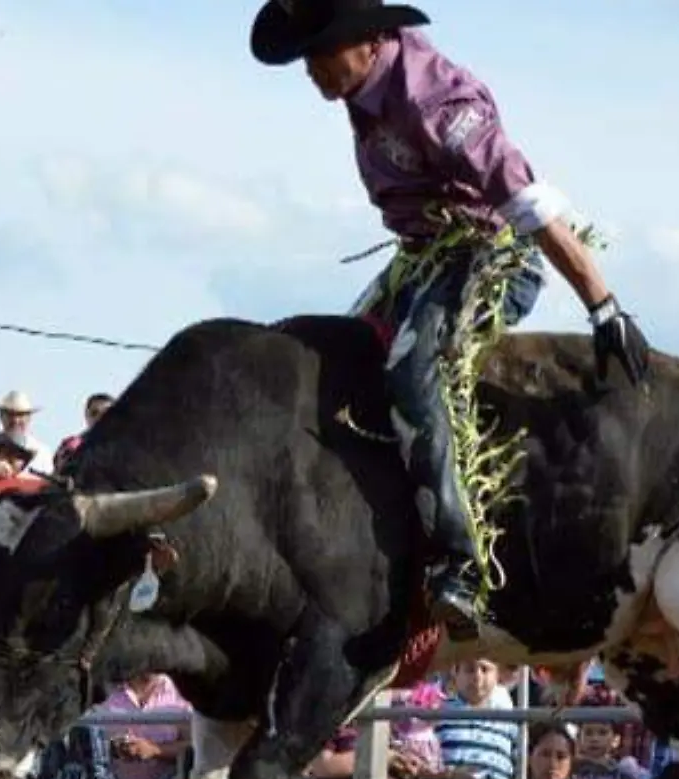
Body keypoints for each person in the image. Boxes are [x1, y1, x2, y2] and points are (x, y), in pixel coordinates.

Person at [249, 0, 652, 636]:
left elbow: (523, 196)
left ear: (367, 38)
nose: (312, 72)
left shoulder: (434, 98)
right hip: (424, 255)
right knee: (336, 355)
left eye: (319, 52)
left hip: (491, 254)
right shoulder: (361, 91)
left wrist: (602, 304)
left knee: (414, 370)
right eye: (306, 57)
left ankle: (459, 562)